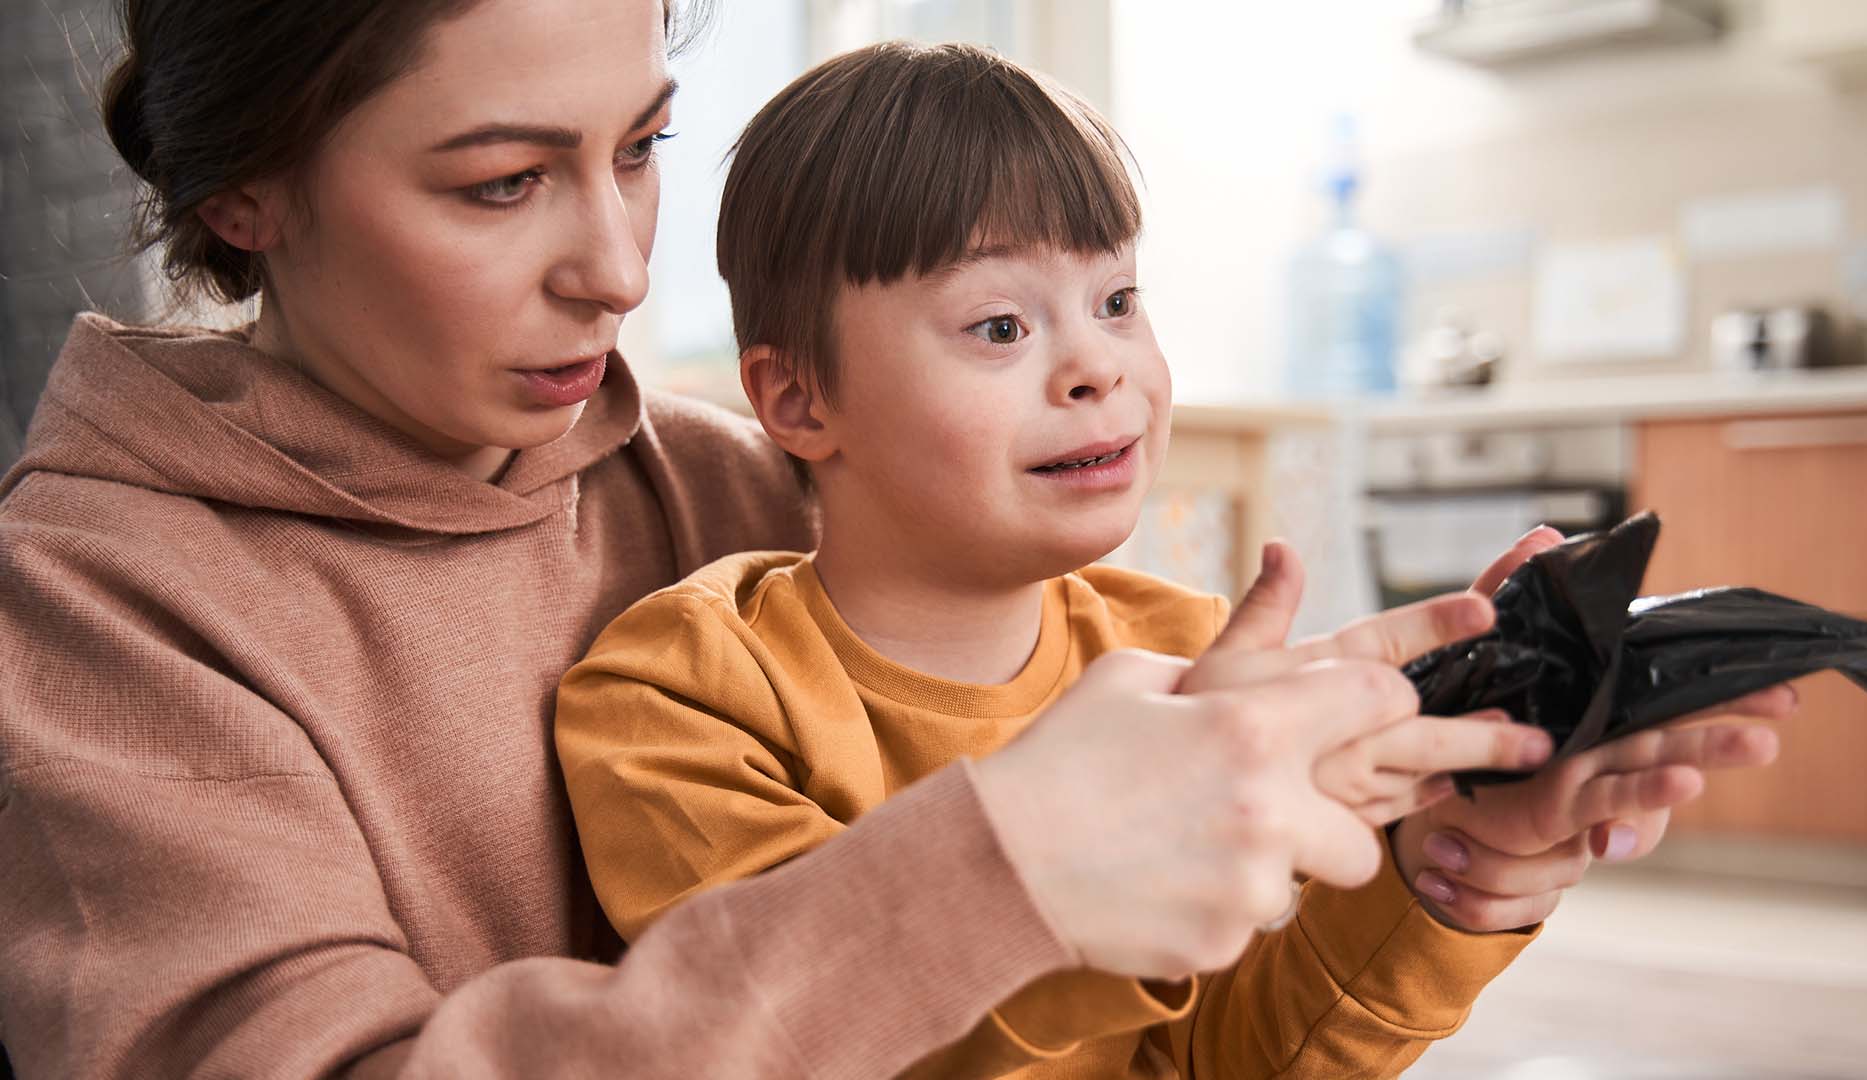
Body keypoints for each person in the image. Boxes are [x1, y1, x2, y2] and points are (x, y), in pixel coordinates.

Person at [0, 1, 1789, 1077]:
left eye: (640, 148)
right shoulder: (101, 615)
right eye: (498, 183)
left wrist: (1444, 863)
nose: (619, 265)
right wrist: (1006, 869)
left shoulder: (714, 491)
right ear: (244, 193)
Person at [553, 41, 1575, 1079]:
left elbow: (1229, 1059)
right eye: (1000, 326)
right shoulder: (678, 698)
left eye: (1119, 301)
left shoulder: (1184, 652)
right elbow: (812, 1040)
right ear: (800, 400)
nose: (1097, 365)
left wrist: (1443, 873)